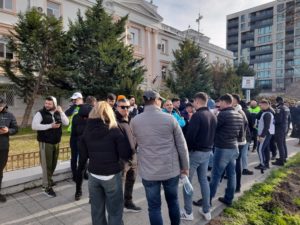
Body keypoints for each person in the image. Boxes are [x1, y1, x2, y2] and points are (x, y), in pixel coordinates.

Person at [131, 90, 189, 225]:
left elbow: (132, 145)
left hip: (149, 171)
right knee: (173, 202)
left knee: (154, 207)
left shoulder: (135, 121)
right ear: (157, 101)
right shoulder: (169, 118)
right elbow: (182, 145)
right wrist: (185, 167)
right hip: (170, 170)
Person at [80, 101, 131, 225]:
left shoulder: (87, 130)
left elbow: (83, 155)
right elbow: (125, 153)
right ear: (109, 113)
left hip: (94, 175)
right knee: (115, 212)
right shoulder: (114, 130)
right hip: (112, 175)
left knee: (96, 212)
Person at [181, 92, 217, 221]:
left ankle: (188, 212)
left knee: (187, 181)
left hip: (195, 153)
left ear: (197, 101)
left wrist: (186, 153)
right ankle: (207, 210)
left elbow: (190, 137)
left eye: (193, 103)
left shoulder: (197, 115)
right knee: (203, 180)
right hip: (207, 152)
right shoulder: (213, 115)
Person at [210, 94, 243, 206]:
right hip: (234, 147)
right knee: (231, 174)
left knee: (215, 174)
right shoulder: (239, 115)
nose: (219, 104)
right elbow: (241, 135)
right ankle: (229, 198)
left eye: (220, 102)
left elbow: (213, 128)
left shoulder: (223, 114)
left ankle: (208, 200)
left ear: (224, 102)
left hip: (222, 148)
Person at [32, 96, 69, 197]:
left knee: (53, 164)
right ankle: (46, 187)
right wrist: (50, 126)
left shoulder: (57, 112)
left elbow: (66, 122)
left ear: (55, 105)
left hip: (56, 142)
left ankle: (49, 180)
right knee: (46, 166)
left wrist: (61, 112)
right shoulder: (40, 113)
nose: (47, 105)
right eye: (46, 103)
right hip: (45, 142)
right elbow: (34, 126)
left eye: (49, 104)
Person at [115, 97, 142, 212]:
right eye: (123, 107)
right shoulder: (114, 121)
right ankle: (117, 207)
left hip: (133, 156)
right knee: (119, 184)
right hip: (121, 158)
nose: (126, 109)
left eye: (127, 107)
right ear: (117, 107)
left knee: (131, 180)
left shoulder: (131, 118)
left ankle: (128, 202)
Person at [73, 96, 97, 201]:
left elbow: (73, 134)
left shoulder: (76, 116)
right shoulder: (96, 115)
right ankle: (93, 195)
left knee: (81, 168)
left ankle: (78, 192)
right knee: (94, 170)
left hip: (81, 144)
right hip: (93, 145)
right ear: (94, 104)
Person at [232, 94, 252, 192]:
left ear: (235, 101)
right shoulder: (239, 111)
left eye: (231, 99)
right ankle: (235, 186)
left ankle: (237, 186)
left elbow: (242, 127)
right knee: (235, 163)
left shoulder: (239, 112)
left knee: (236, 164)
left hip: (238, 142)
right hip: (240, 141)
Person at [0, 97, 18, 203]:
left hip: (3, 147)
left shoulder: (9, 115)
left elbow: (15, 129)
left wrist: (8, 130)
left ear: (3, 105)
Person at [65, 92, 84, 182]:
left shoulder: (85, 107)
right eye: (73, 99)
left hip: (83, 135)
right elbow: (67, 114)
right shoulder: (71, 107)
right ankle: (74, 175)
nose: (74, 101)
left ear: (81, 99)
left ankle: (83, 172)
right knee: (74, 156)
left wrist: (80, 105)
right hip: (74, 135)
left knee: (83, 156)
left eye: (76, 99)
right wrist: (74, 105)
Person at [254, 99, 275, 170]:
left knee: (260, 149)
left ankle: (263, 164)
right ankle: (265, 163)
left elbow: (266, 126)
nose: (260, 106)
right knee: (265, 149)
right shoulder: (265, 112)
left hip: (265, 134)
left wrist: (262, 136)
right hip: (265, 134)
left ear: (266, 105)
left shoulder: (267, 114)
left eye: (261, 105)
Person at [273, 96, 290, 166]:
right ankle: (284, 157)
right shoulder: (286, 108)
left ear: (277, 101)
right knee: (283, 143)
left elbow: (278, 120)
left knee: (280, 144)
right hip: (285, 127)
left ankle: (281, 161)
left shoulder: (279, 108)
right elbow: (288, 118)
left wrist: (273, 121)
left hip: (279, 128)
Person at [239, 100, 254, 175]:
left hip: (238, 137)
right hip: (246, 135)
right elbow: (251, 124)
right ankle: (245, 168)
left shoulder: (238, 112)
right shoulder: (248, 112)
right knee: (244, 153)